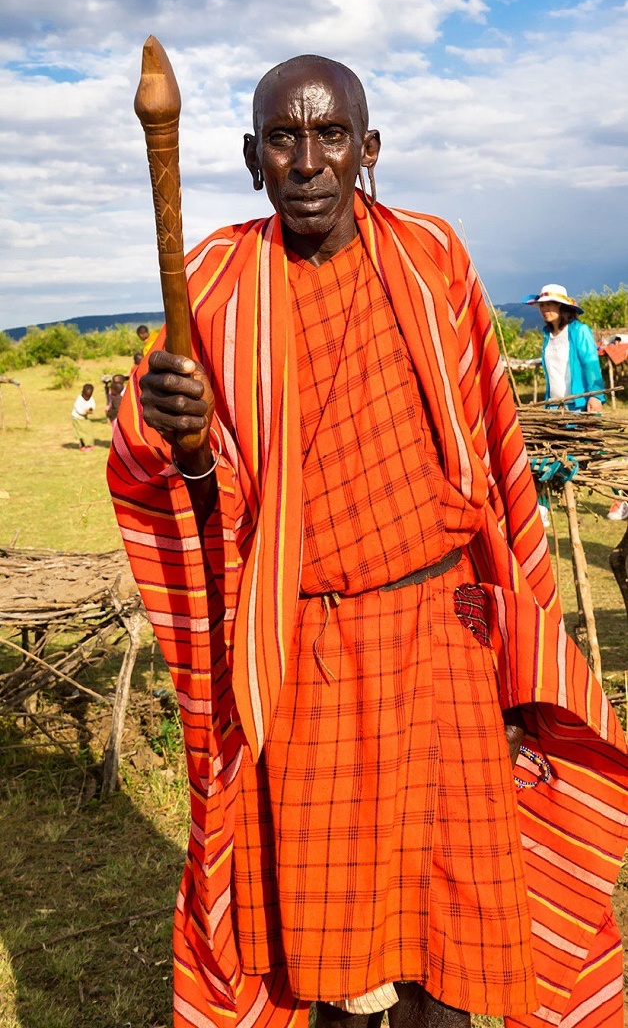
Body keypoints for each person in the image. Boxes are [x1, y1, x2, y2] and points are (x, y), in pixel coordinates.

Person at [108, 56, 628, 1028]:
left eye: (329, 135)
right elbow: (184, 486)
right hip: (308, 659)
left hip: (441, 643)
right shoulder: (217, 285)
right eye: (282, 139)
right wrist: (171, 435)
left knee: (453, 948)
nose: (307, 161)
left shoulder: (431, 262)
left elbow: (494, 465)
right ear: (252, 159)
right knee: (334, 962)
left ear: (368, 150)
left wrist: (511, 671)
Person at [525, 284, 605, 411]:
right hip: (554, 406)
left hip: (578, 405)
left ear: (561, 306)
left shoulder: (579, 331)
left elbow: (591, 364)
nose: (545, 309)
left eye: (550, 304)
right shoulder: (548, 335)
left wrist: (596, 395)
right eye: (542, 305)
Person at [71, 382, 95, 451]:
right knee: (81, 432)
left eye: (89, 396)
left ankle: (89, 444)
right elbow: (79, 410)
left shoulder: (91, 398)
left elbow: (92, 404)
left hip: (85, 417)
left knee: (88, 430)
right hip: (77, 417)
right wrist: (85, 412)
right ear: (82, 392)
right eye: (86, 396)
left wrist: (91, 409)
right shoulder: (79, 399)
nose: (87, 398)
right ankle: (83, 446)